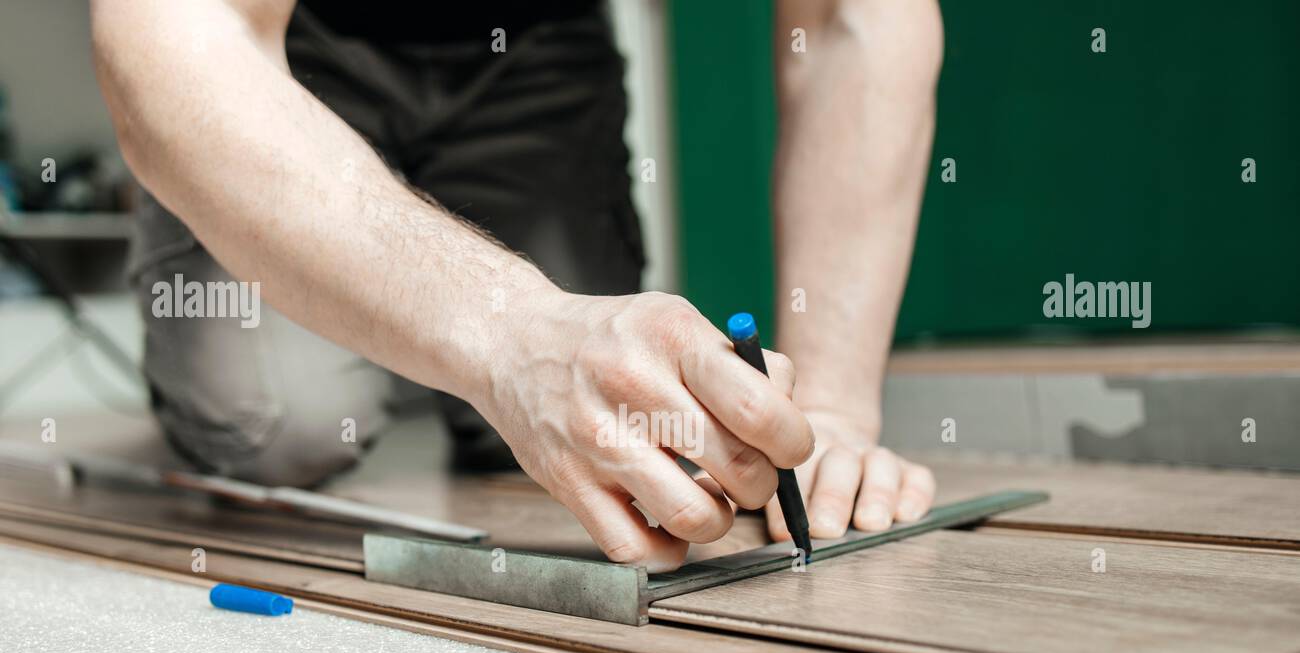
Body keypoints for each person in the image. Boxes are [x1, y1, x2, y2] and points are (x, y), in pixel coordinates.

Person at [91, 0, 942, 572]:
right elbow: (177, 33)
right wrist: (515, 336)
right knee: (277, 425)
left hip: (530, 43)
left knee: (595, 438)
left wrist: (829, 410)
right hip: (275, 48)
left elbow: (850, 20)